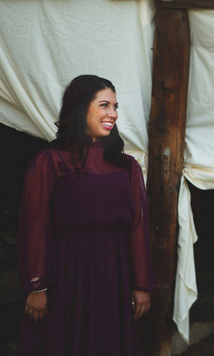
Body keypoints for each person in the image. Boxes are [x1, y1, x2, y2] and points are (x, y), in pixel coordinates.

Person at [17, 75, 156, 355]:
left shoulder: (126, 167)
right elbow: (36, 225)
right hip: (67, 272)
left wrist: (141, 283)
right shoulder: (50, 162)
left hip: (113, 273)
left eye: (115, 107)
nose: (112, 114)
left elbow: (137, 228)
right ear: (81, 108)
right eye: (104, 105)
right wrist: (37, 286)